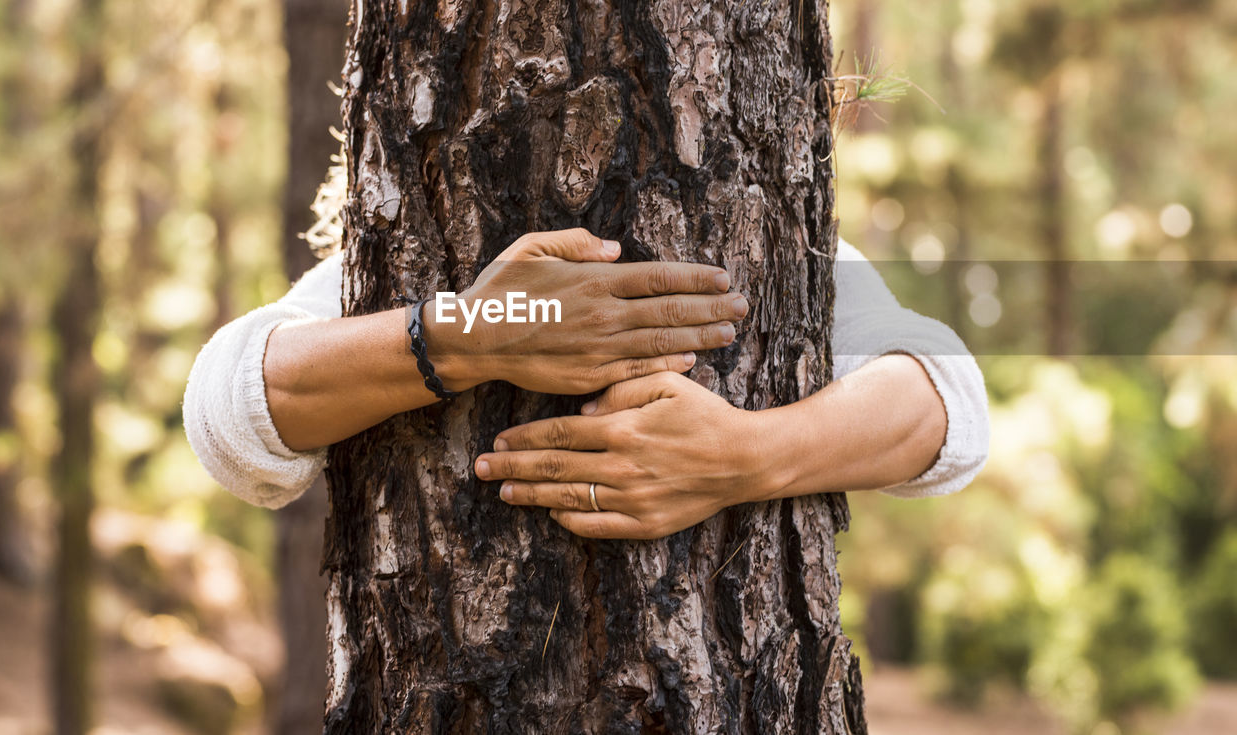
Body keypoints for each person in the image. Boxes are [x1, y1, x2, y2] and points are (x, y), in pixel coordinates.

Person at [183, 227, 989, 538]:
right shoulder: (405, 228)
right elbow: (227, 413)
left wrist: (743, 455)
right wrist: (471, 332)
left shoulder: (776, 232)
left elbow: (948, 399)